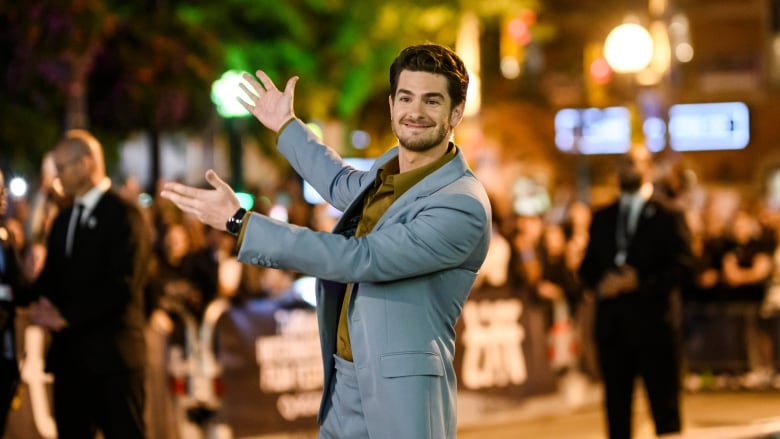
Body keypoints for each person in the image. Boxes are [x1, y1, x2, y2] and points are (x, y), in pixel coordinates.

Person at [161, 43, 491, 439]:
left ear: (456, 112)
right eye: (406, 97)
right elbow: (338, 182)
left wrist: (240, 222)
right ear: (391, 105)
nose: (415, 112)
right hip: (345, 384)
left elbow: (360, 258)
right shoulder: (387, 174)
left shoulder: (461, 204)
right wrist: (286, 126)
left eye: (431, 100)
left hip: (404, 394)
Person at [29, 129, 152, 439]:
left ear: (85, 164)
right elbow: (50, 280)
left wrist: (66, 316)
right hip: (70, 362)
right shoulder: (62, 218)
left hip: (114, 362)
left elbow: (123, 285)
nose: (56, 177)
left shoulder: (125, 215)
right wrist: (28, 295)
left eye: (61, 168)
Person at [578, 145, 693, 439]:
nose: (627, 168)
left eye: (634, 162)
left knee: (664, 412)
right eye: (622, 163)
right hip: (614, 330)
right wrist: (600, 283)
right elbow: (587, 267)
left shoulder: (669, 215)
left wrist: (639, 282)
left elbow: (685, 267)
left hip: (655, 328)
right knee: (617, 414)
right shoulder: (603, 217)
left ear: (649, 168)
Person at [0, 168, 32, 435]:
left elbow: (22, 291)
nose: (3, 197)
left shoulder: (5, 237)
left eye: (2, 190)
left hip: (5, 354)